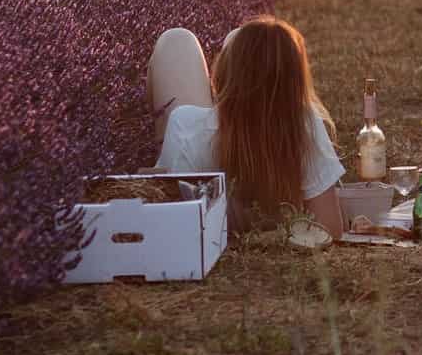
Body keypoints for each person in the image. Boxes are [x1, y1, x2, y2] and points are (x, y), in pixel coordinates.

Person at [146, 17, 346, 237]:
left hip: (208, 204)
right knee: (256, 44)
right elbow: (330, 228)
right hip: (277, 212)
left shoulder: (185, 124)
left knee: (177, 40)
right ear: (296, 83)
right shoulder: (305, 124)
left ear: (223, 73)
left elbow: (176, 223)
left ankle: (233, 93)